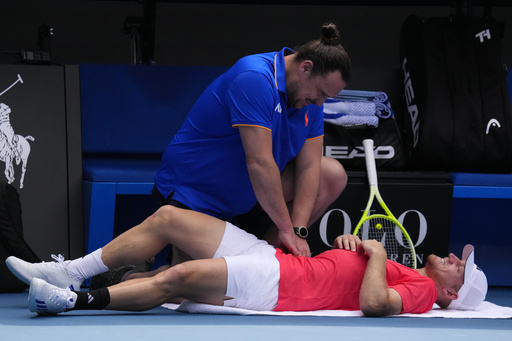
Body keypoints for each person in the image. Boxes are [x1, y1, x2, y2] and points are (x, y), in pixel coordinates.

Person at [6, 205, 487, 317]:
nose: (451, 257)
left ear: (449, 293)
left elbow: (376, 304)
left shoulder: (423, 293)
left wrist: (376, 251)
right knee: (170, 218)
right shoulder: (417, 275)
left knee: (177, 277)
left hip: (277, 287)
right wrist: (350, 245)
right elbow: (362, 280)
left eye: (457, 267)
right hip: (276, 259)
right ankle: (67, 270)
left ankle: (70, 300)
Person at [152, 22, 351, 261]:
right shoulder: (254, 77)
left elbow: (310, 166)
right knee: (189, 289)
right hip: (196, 195)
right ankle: (120, 279)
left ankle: (264, 262)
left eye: (326, 98)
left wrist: (297, 230)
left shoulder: (311, 99)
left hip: (246, 197)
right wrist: (286, 229)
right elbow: (259, 163)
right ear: (305, 68)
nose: (320, 103)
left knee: (331, 173)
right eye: (321, 93)